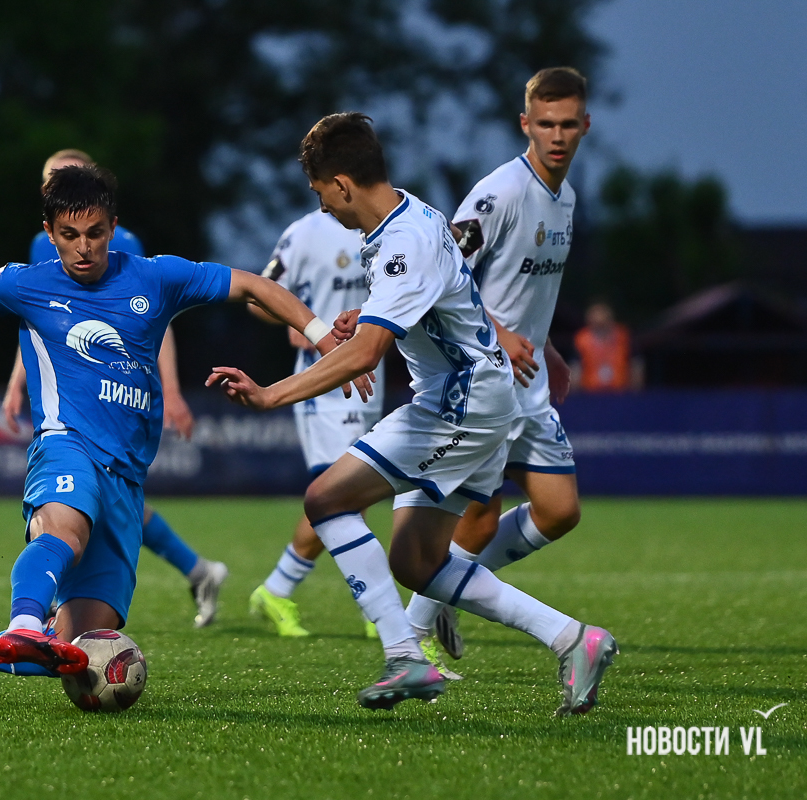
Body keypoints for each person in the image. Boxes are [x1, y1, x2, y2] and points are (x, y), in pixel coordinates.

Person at [208, 112, 616, 715]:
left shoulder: (402, 242)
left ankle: (404, 656)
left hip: (459, 400)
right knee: (415, 561)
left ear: (342, 184)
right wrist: (367, 316)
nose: (323, 208)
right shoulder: (413, 214)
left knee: (326, 500)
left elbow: (365, 355)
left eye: (321, 194)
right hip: (478, 395)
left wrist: (271, 394)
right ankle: (573, 639)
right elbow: (429, 301)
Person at [0, 164, 347, 708]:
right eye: (69, 235)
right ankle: (24, 622)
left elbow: (253, 285)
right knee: (63, 532)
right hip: (66, 443)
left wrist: (323, 337)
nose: (83, 247)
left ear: (113, 227)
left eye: (95, 233)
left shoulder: (156, 277)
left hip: (127, 479)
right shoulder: (28, 282)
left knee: (74, 656)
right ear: (49, 233)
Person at [402, 67, 590, 671]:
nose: (557, 136)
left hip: (529, 378)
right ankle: (412, 638)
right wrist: (502, 333)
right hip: (485, 376)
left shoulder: (566, 198)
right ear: (525, 124)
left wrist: (544, 343)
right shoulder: (501, 193)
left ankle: (454, 591)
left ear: (585, 126)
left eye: (568, 124)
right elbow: (440, 268)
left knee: (560, 511)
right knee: (476, 521)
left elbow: (528, 288)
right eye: (546, 124)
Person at [2, 149, 228, 629]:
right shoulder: (43, 243)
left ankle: (194, 569)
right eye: (49, 181)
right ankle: (195, 570)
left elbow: (152, 318)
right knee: (79, 501)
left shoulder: (122, 244)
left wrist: (171, 389)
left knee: (102, 499)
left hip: (118, 397)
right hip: (71, 398)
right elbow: (40, 314)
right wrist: (17, 380)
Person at [246, 209, 385, 638]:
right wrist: (302, 323)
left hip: (370, 378)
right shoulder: (303, 233)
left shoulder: (382, 225)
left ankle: (276, 590)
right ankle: (377, 610)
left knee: (354, 498)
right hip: (322, 385)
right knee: (340, 495)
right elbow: (257, 295)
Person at [572, 300, 642, 392]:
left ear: (610, 315)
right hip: (590, 393)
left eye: (602, 312)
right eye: (595, 313)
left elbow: (636, 365)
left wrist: (635, 392)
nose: (599, 317)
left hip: (621, 393)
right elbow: (575, 368)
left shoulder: (624, 336)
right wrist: (576, 393)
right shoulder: (581, 339)